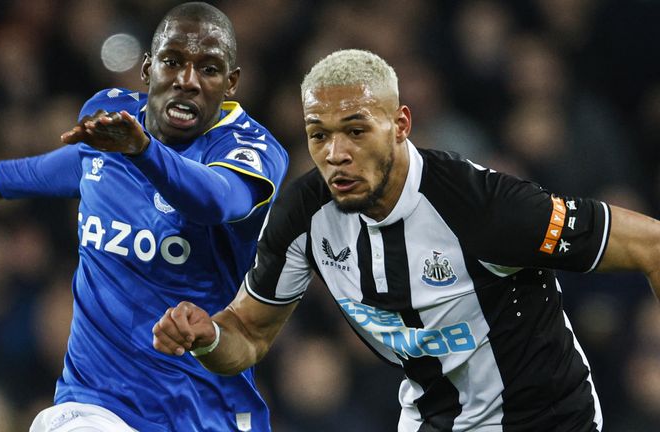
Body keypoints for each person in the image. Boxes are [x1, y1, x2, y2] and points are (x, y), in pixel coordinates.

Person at [152, 49, 660, 431]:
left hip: (544, 421)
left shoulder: (482, 206)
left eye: (355, 130)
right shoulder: (304, 213)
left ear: (400, 125)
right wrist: (210, 337)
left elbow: (650, 245)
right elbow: (250, 331)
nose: (335, 154)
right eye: (319, 134)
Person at [0, 2, 288, 431]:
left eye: (209, 69)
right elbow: (85, 165)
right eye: (172, 62)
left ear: (231, 82)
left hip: (206, 411)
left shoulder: (251, 149)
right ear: (147, 69)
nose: (187, 81)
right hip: (97, 405)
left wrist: (143, 152)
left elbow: (215, 201)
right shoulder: (112, 118)